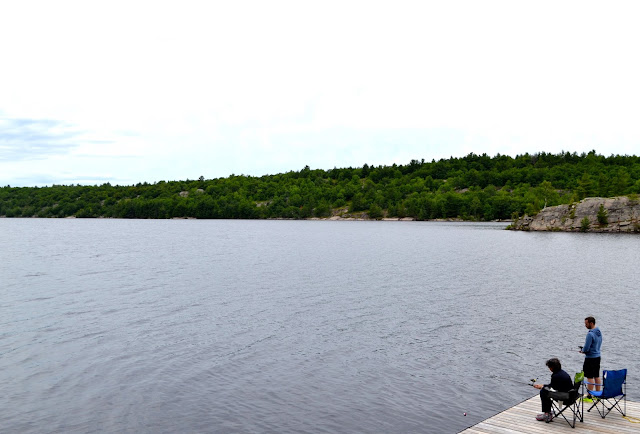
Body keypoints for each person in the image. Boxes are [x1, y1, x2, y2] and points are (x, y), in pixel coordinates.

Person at [533, 358, 574, 422]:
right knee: (545, 390)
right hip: (572, 396)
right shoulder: (562, 373)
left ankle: (547, 414)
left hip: (566, 399)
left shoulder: (555, 376)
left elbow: (552, 388)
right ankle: (548, 412)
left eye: (549, 367)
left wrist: (542, 387)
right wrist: (543, 385)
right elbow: (553, 386)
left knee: (544, 392)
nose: (549, 369)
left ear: (552, 367)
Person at [581, 316, 602, 393]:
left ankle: (590, 395)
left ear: (591, 323)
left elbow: (586, 348)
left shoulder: (590, 334)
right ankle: (598, 393)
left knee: (589, 377)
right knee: (596, 376)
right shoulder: (598, 331)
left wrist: (583, 351)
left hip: (590, 358)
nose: (585, 325)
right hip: (597, 357)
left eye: (586, 324)